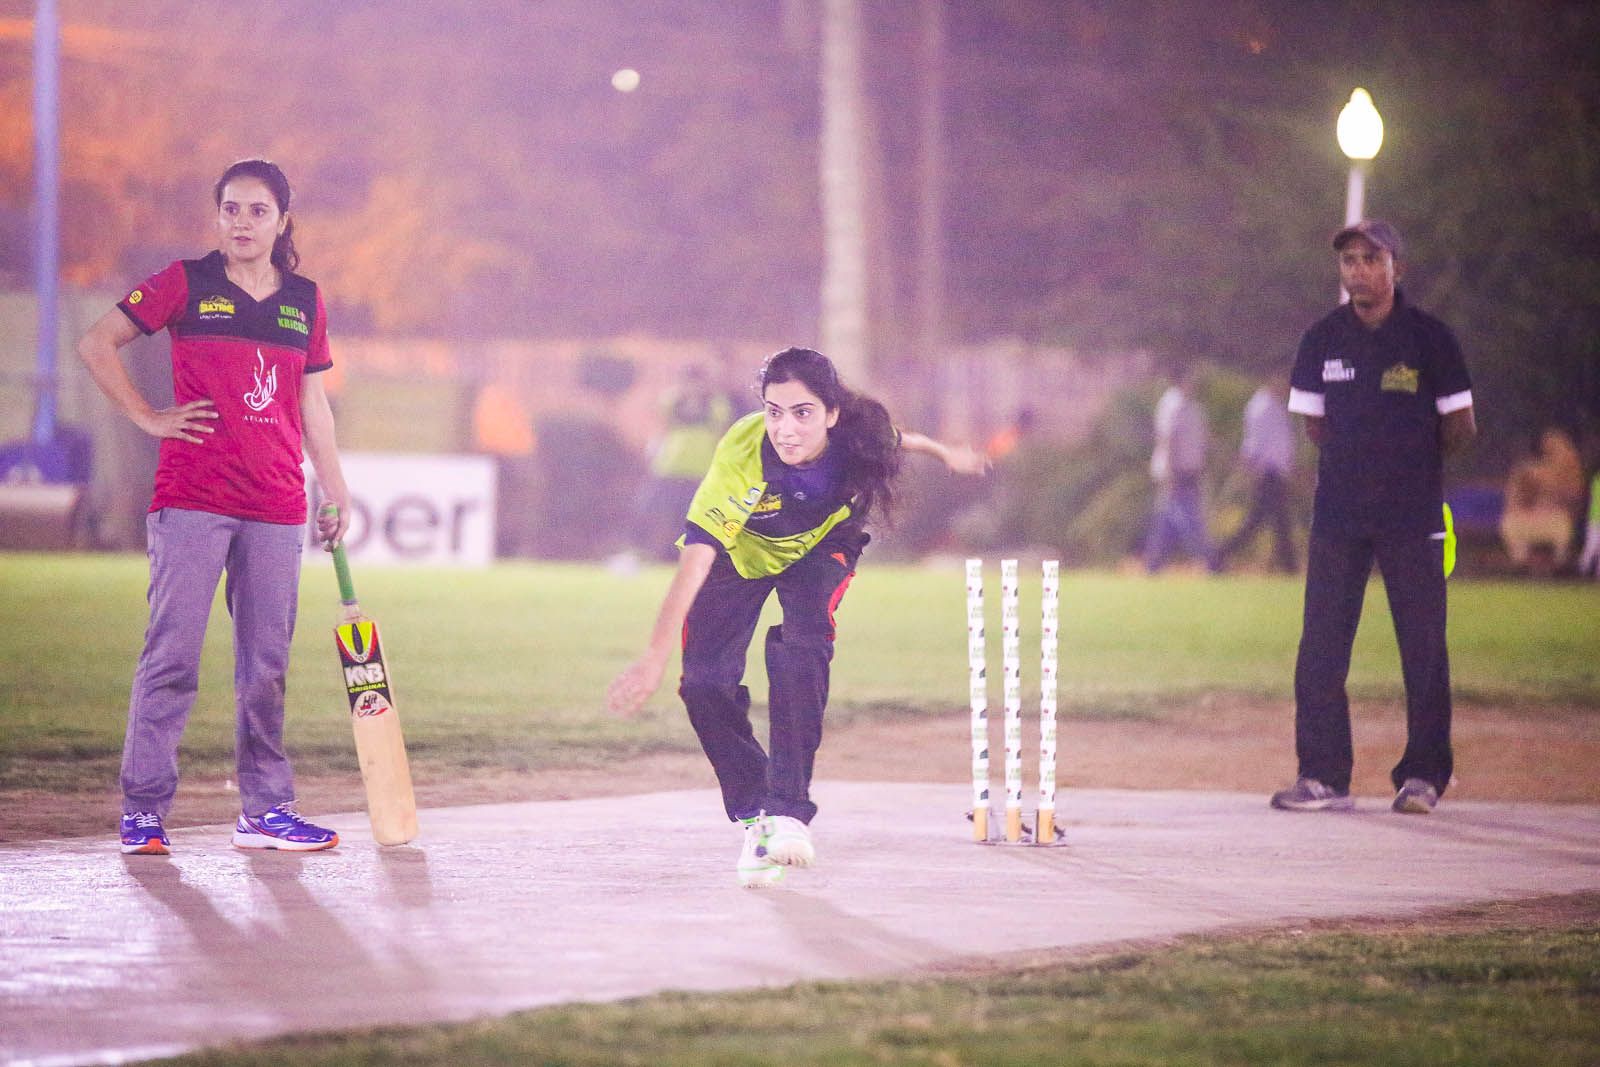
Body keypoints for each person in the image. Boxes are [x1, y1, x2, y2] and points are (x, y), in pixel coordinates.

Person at [606, 347, 987, 887]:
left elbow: (902, 439)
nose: (786, 429)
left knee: (800, 650)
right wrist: (653, 657)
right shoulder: (743, 454)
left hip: (821, 548)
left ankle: (788, 810)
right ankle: (757, 816)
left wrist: (947, 453)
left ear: (832, 413)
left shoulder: (861, 434)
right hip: (740, 555)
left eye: (802, 413)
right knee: (704, 685)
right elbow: (696, 561)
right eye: (774, 411)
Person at [77, 159, 352, 855]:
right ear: (217, 216)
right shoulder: (184, 282)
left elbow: (312, 404)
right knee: (171, 657)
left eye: (258, 211)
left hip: (277, 505)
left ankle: (265, 811)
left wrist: (335, 487)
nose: (242, 222)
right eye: (231, 208)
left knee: (265, 667)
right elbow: (96, 342)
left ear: (282, 221)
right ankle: (143, 810)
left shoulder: (305, 301)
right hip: (193, 500)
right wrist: (146, 415)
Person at [1271, 219, 1475, 816]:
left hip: (1413, 516)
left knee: (1423, 647)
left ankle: (1423, 776)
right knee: (1321, 646)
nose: (1358, 270)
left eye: (1370, 259)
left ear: (1396, 268)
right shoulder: (1321, 339)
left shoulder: (1430, 339)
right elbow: (1315, 424)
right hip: (1339, 515)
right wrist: (1358, 465)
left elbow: (1460, 426)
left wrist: (1408, 466)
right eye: (1349, 260)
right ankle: (1322, 775)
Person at [635, 364, 734, 560]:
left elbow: (721, 434)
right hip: (670, 467)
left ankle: (698, 555)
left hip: (701, 469)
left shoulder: (716, 404)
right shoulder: (671, 401)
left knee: (699, 517)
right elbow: (662, 429)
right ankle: (653, 554)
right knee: (659, 512)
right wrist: (654, 452)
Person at [1210, 372, 1298, 573]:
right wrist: (1251, 469)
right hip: (1266, 472)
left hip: (1277, 472)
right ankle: (1220, 554)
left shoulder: (1276, 405)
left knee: (1272, 521)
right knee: (1266, 521)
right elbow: (1254, 442)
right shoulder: (1260, 407)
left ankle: (1288, 565)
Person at [1144, 367, 1212, 572]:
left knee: (1166, 519)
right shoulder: (1172, 405)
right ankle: (1210, 560)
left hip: (1190, 470)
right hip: (1176, 470)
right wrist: (1170, 471)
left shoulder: (1192, 406)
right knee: (1188, 518)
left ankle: (1153, 563)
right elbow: (1168, 440)